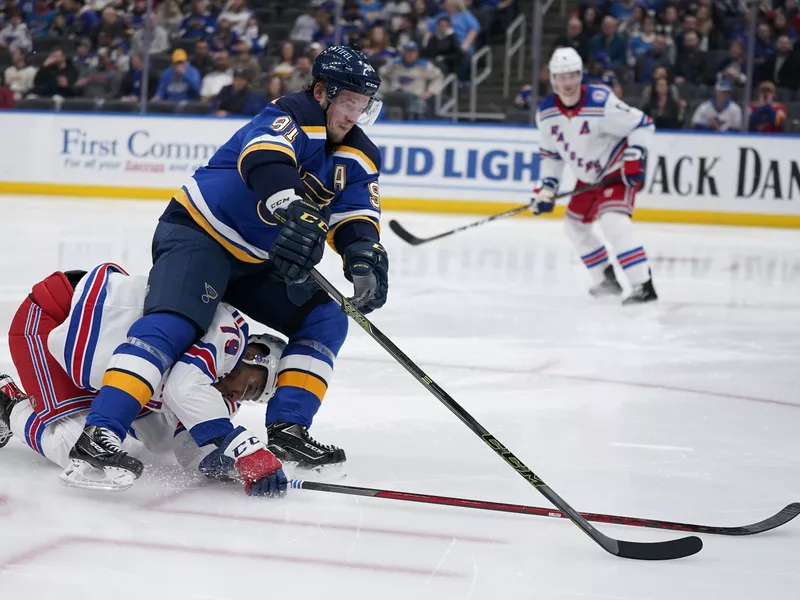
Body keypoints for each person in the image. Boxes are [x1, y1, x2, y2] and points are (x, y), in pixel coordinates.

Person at [61, 46, 388, 491]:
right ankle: (99, 433)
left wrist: (364, 257)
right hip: (199, 233)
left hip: (254, 259)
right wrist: (291, 206)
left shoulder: (360, 153)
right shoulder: (292, 112)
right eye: (348, 101)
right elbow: (264, 159)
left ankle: (289, 429)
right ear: (321, 92)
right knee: (172, 327)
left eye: (362, 105)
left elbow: (354, 215)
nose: (354, 113)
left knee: (326, 315)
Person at [1, 263, 288, 497]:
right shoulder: (228, 336)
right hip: (56, 317)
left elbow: (187, 447)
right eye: (251, 386)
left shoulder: (219, 392)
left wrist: (235, 465)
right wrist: (243, 448)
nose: (239, 395)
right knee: (73, 448)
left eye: (250, 398)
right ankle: (6, 403)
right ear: (253, 353)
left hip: (94, 348)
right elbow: (182, 388)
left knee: (157, 438)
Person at [531, 47, 657, 305]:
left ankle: (643, 285)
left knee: (613, 222)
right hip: (587, 177)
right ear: (553, 78)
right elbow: (551, 155)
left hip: (614, 169)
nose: (567, 83)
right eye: (562, 77)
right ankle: (605, 279)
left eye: (573, 75)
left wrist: (635, 154)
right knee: (574, 225)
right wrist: (547, 188)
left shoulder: (601, 101)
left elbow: (643, 124)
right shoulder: (545, 113)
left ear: (581, 75)